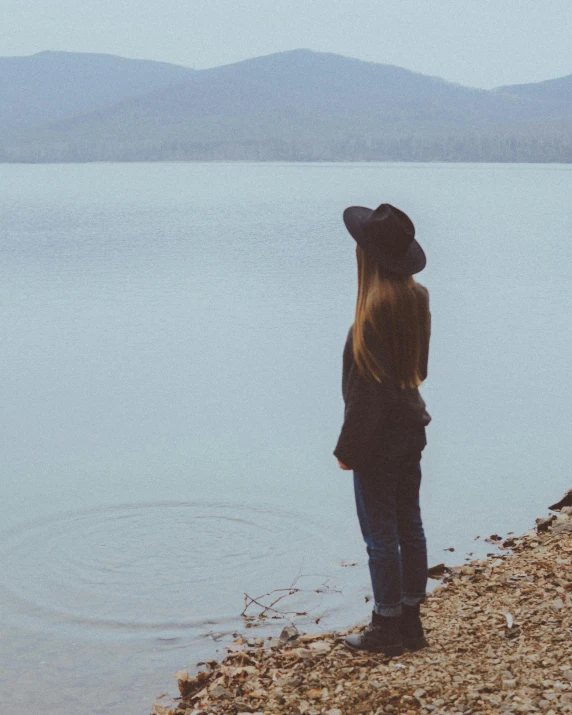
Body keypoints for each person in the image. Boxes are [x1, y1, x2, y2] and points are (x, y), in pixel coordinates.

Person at [333, 202, 431, 656]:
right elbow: (416, 372)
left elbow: (366, 400)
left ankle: (387, 625)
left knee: (379, 535)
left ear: (367, 258)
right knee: (409, 523)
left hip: (378, 441)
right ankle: (410, 620)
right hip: (412, 429)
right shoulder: (417, 299)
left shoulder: (368, 319)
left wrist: (348, 450)